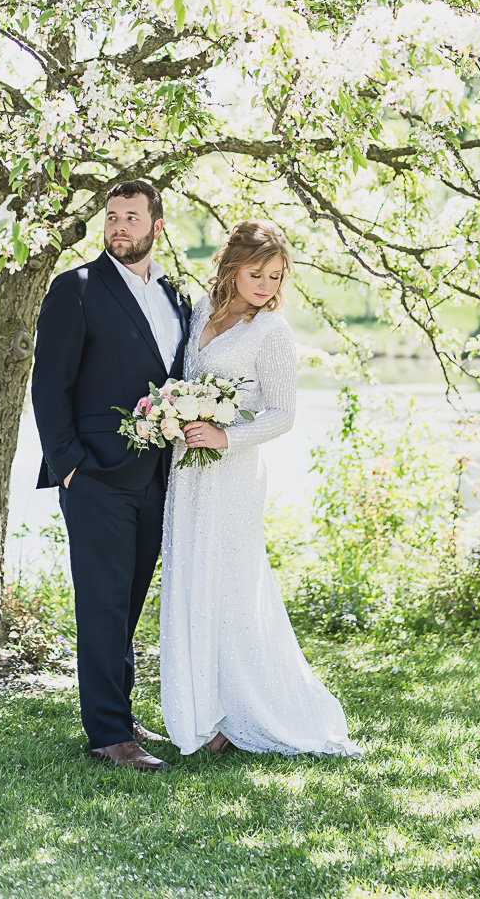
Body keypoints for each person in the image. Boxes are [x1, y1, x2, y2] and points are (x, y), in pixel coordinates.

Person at [160, 219, 361, 758]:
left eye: (275, 276)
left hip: (232, 471)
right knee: (192, 579)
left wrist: (226, 436)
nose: (267, 286)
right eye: (257, 273)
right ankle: (202, 707)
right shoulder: (202, 311)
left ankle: (243, 711)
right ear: (232, 268)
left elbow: (283, 415)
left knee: (229, 583)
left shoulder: (273, 332)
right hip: (188, 470)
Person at [32, 180, 190, 772]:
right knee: (101, 601)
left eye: (132, 217)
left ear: (157, 226)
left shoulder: (177, 297)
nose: (119, 227)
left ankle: (117, 710)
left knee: (127, 601)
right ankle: (107, 735)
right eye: (112, 217)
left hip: (157, 476)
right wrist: (70, 465)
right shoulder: (75, 289)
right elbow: (49, 386)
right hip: (95, 474)